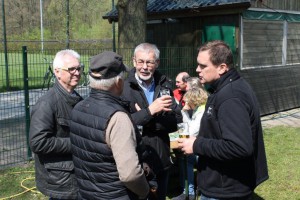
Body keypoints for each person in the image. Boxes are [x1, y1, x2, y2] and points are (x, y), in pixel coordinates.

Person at [178, 40, 269, 200]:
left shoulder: (231, 97)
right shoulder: (225, 88)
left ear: (222, 67)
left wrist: (196, 144)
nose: (197, 70)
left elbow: (239, 146)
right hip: (224, 185)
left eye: (203, 66)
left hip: (225, 190)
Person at [69, 51, 151, 200]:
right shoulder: (118, 118)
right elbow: (130, 175)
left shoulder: (78, 108)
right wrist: (145, 192)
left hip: (86, 194)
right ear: (119, 83)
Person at [122, 43, 182, 200]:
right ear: (134, 61)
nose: (144, 67)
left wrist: (146, 119)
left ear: (157, 63)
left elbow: (177, 119)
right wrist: (150, 112)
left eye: (149, 62)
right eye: (140, 61)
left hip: (161, 159)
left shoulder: (165, 85)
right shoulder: (123, 88)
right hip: (136, 161)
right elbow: (122, 125)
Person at [29, 49, 83, 199]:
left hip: (76, 174)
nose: (77, 73)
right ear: (57, 72)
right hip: (61, 180)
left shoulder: (77, 99)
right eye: (71, 69)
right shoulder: (47, 104)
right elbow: (38, 143)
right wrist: (77, 143)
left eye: (79, 68)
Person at [173, 81, 208, 200]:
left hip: (203, 147)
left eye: (188, 100)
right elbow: (184, 127)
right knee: (185, 159)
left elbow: (192, 130)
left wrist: (184, 112)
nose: (186, 102)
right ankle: (188, 191)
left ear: (194, 100)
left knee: (188, 159)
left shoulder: (202, 111)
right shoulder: (197, 110)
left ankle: (192, 191)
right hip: (196, 144)